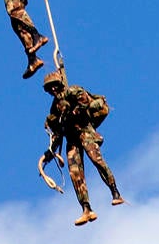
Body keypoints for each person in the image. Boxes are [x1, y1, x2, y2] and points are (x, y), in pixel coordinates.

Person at [41, 69, 124, 226]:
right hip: (72, 140)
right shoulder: (54, 109)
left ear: (59, 84)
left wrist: (73, 112)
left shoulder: (73, 91)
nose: (52, 89)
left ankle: (115, 192)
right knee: (75, 173)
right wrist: (50, 151)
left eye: (54, 85)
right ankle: (86, 208)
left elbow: (84, 101)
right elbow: (57, 133)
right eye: (49, 88)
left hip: (85, 132)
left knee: (97, 161)